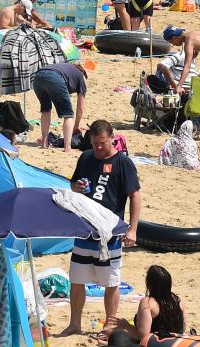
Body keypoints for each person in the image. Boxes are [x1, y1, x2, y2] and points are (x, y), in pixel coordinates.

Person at [65, 120, 141, 337]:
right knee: (77, 278)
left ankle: (110, 323)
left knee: (111, 281)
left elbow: (135, 196)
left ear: (112, 139)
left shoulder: (123, 163)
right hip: (84, 229)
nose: (98, 148)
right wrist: (76, 187)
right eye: (95, 143)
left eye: (102, 143)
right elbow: (73, 184)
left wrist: (132, 229)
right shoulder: (86, 157)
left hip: (110, 232)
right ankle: (74, 323)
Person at [108, 265, 188, 345]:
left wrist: (126, 325)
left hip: (155, 344)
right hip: (175, 343)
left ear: (150, 284)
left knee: (117, 336)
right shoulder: (179, 302)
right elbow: (183, 328)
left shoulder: (148, 303)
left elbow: (143, 335)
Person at [32, 62, 89, 151]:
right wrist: (76, 125)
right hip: (54, 77)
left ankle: (44, 143)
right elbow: (80, 107)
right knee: (68, 114)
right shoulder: (80, 77)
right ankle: (67, 147)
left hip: (38, 77)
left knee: (45, 110)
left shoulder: (66, 68)